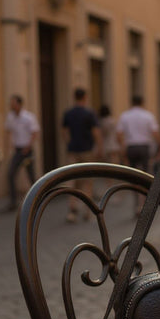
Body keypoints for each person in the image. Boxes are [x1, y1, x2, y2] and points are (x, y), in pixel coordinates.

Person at [62, 88, 103, 222]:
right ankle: (87, 211)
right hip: (87, 150)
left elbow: (65, 132)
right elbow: (96, 132)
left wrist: (69, 144)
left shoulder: (68, 113)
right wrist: (99, 148)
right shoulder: (89, 113)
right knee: (88, 181)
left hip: (73, 150)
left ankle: (72, 210)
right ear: (85, 97)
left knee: (72, 180)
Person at [4, 94, 40, 210]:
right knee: (10, 174)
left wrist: (28, 146)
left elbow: (34, 133)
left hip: (27, 150)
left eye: (14, 103)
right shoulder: (10, 117)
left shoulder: (28, 117)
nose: (12, 106)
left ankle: (38, 197)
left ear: (19, 104)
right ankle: (13, 201)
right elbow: (8, 131)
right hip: (18, 150)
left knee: (31, 175)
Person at [116, 96, 160, 173]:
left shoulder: (125, 116)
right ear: (142, 103)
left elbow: (119, 134)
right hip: (144, 147)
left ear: (131, 103)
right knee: (145, 171)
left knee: (132, 171)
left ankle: (133, 184)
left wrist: (122, 147)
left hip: (131, 147)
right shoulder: (148, 116)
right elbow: (155, 132)